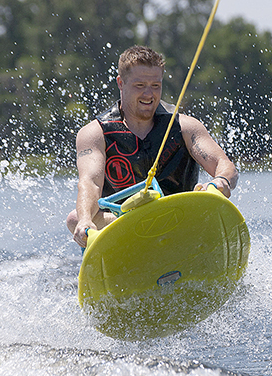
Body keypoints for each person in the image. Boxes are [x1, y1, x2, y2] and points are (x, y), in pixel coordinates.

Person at [66, 45, 238, 248]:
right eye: (140, 85)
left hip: (181, 220)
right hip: (125, 227)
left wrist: (220, 182)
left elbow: (224, 165)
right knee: (75, 218)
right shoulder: (95, 133)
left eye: (156, 85)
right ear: (121, 83)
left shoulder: (185, 126)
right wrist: (86, 218)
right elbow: (91, 183)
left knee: (210, 197)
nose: (149, 94)